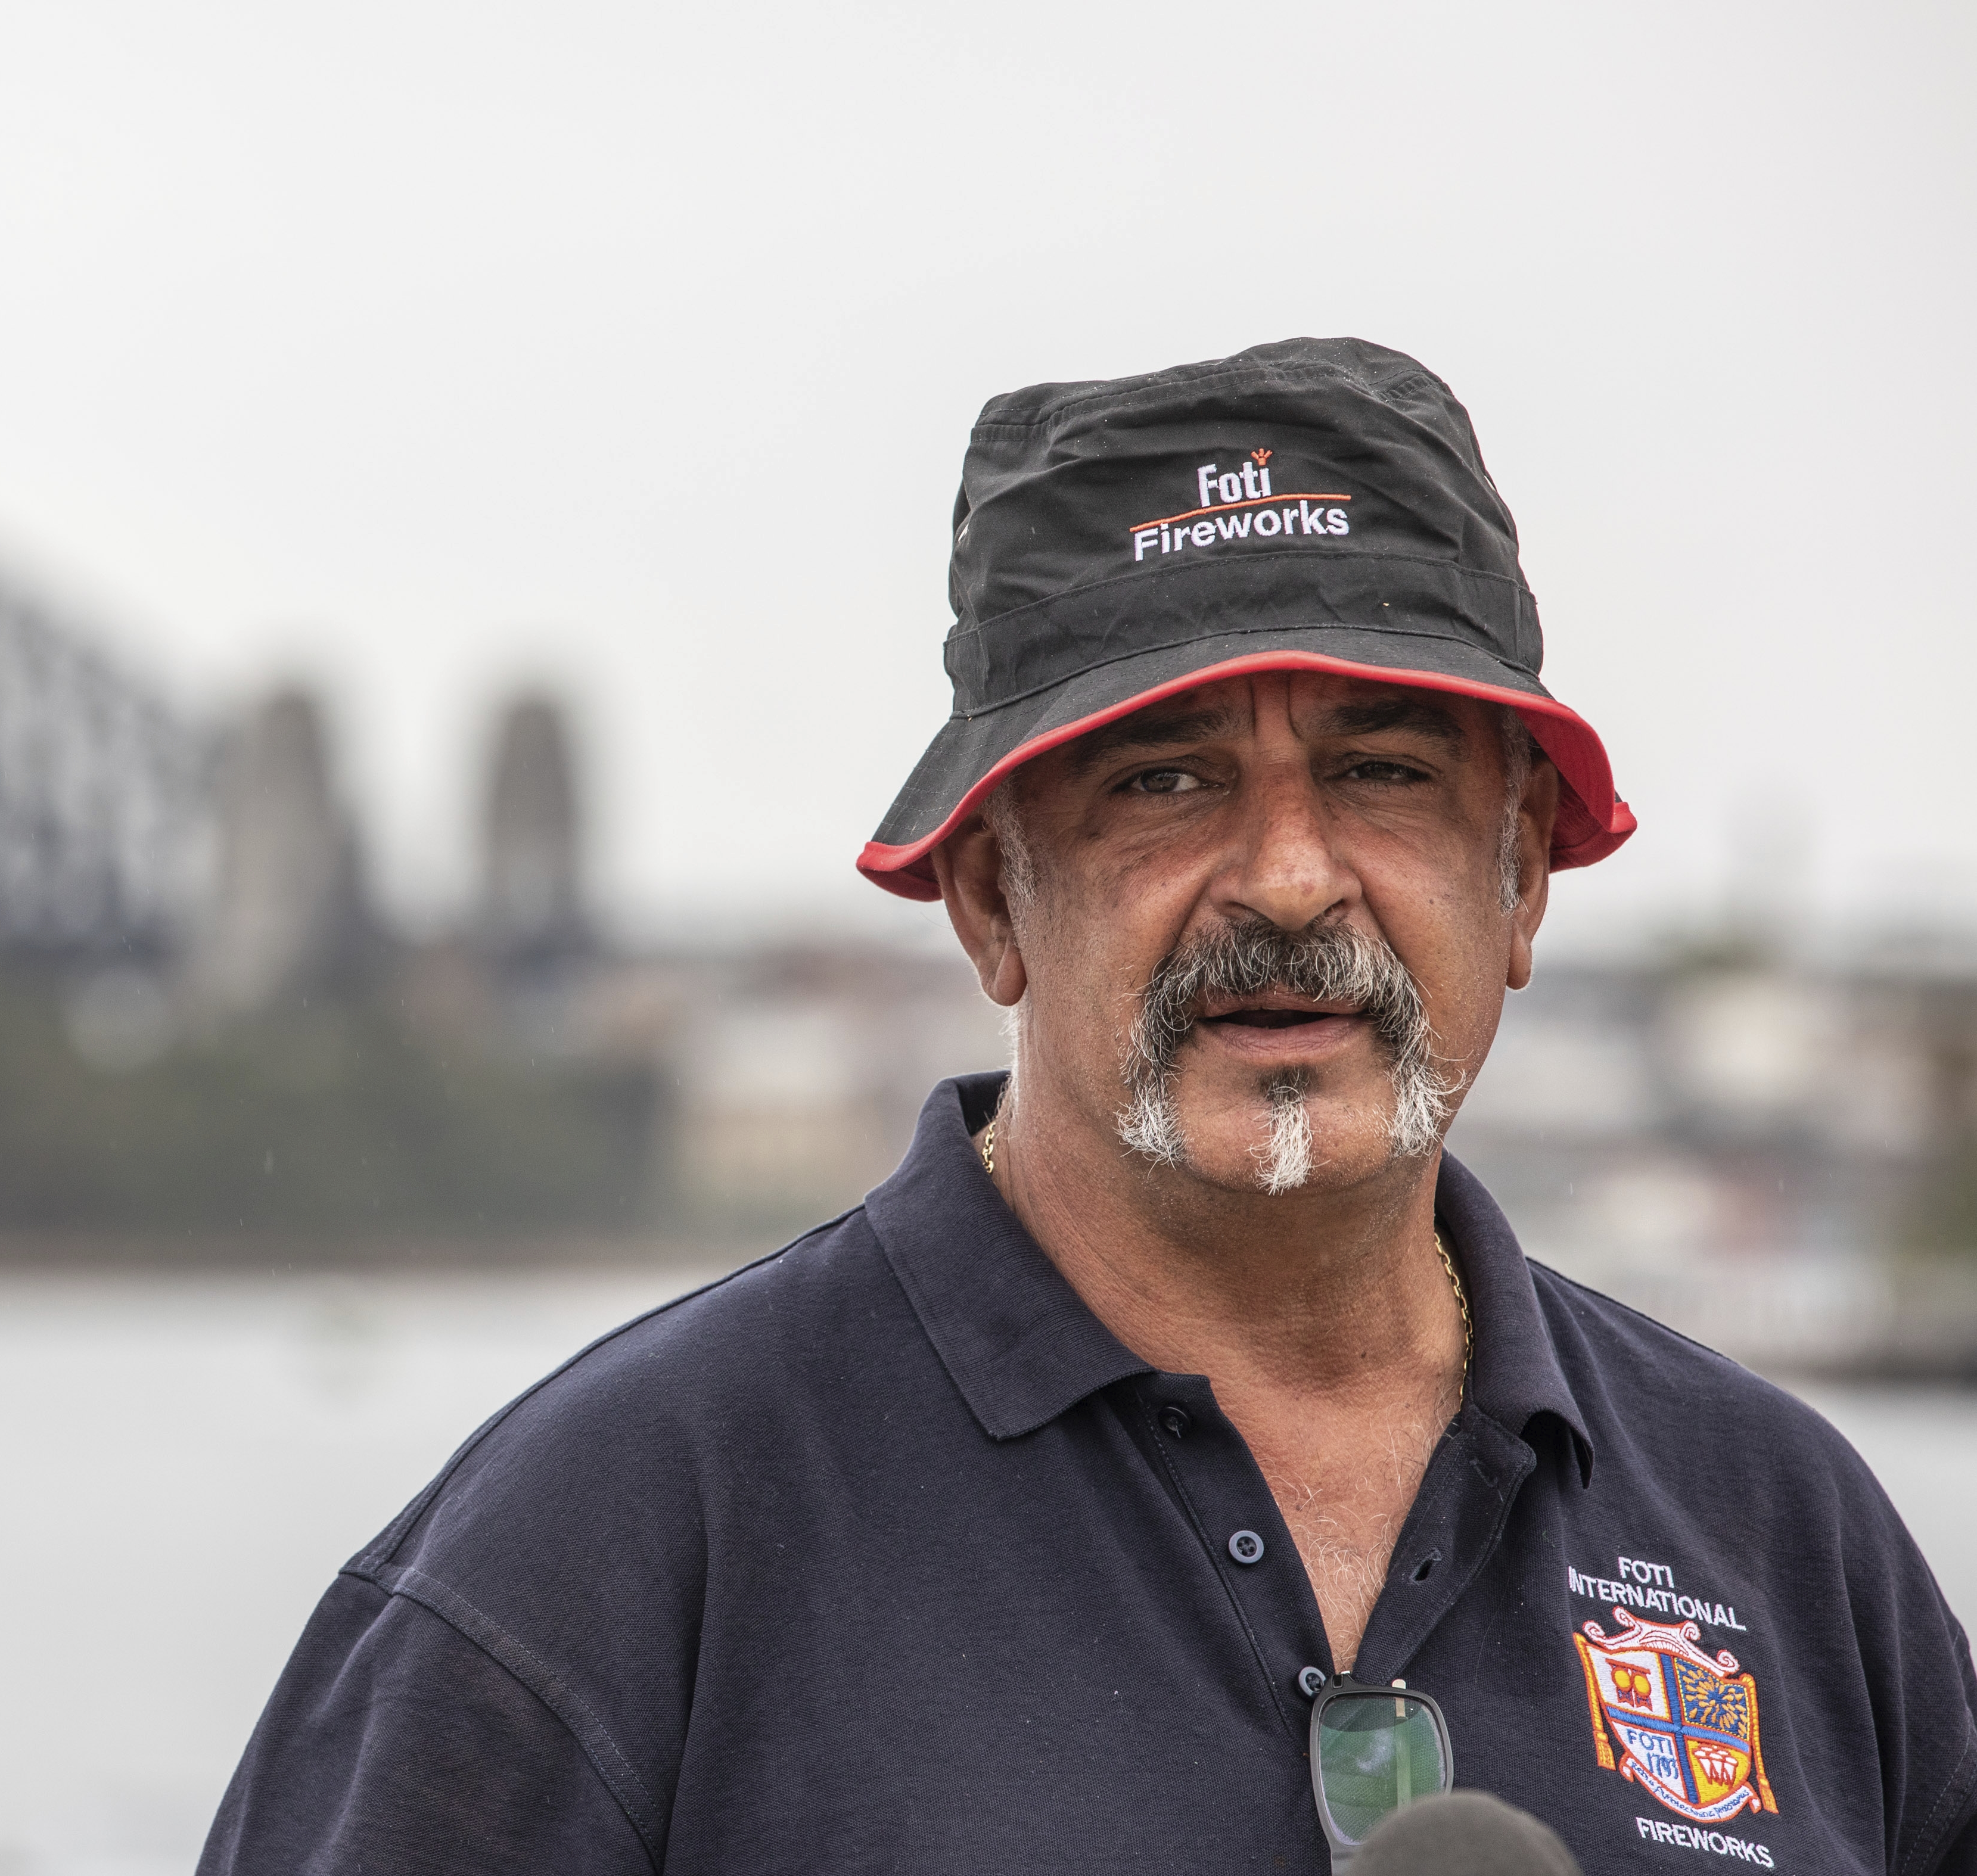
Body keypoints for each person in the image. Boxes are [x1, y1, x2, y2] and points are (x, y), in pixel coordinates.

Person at [197, 339, 1977, 1872]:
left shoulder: (1783, 1539)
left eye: (1378, 773)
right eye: (1165, 780)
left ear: (1520, 885)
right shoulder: (592, 1552)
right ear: (987, 900)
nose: (1285, 879)